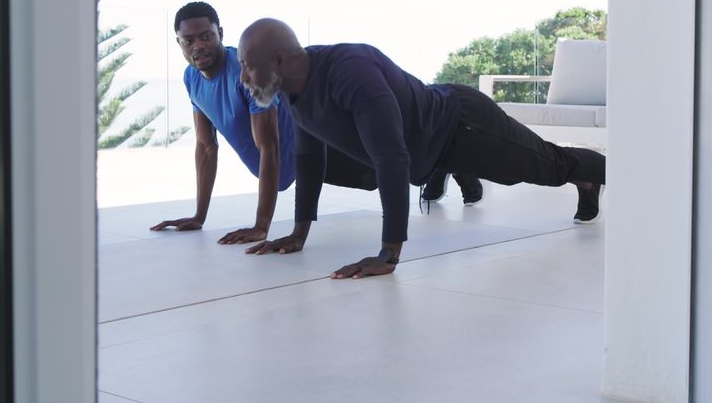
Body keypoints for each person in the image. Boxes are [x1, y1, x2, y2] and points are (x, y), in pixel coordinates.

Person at [238, 18, 606, 279]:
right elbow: (308, 155)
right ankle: (459, 173)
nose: (243, 78)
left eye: (247, 67)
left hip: (463, 127)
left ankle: (610, 173)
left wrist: (389, 253)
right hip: (429, 144)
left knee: (549, 167)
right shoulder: (288, 88)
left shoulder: (351, 70)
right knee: (345, 161)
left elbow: (391, 156)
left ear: (279, 61)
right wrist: (299, 234)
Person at [149, 2, 378, 243]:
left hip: (322, 145)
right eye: (189, 40)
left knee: (381, 173)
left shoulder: (247, 72)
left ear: (221, 34)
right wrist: (199, 216)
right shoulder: (191, 77)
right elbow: (206, 147)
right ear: (179, 43)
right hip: (292, 167)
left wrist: (261, 226)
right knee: (381, 174)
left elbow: (269, 147)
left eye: (206, 36)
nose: (198, 46)